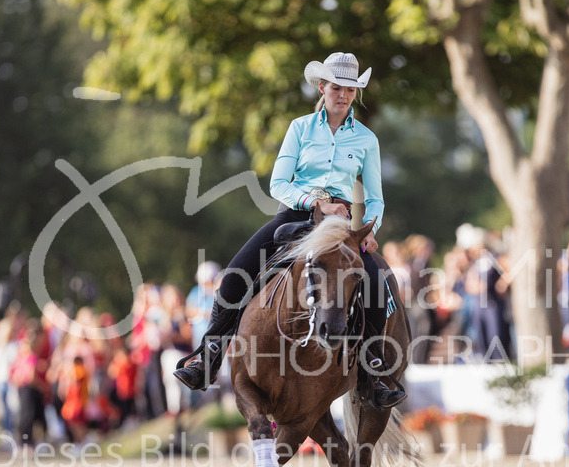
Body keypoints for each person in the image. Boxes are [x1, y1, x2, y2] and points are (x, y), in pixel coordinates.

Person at [173, 51, 405, 409]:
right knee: (235, 274)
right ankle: (209, 355)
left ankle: (373, 371)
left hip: (342, 224)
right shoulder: (300, 128)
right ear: (323, 87)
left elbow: (375, 198)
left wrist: (370, 230)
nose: (343, 95)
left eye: (350, 89)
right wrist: (314, 202)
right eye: (336, 87)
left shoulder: (366, 140)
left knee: (375, 282)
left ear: (355, 93)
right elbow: (278, 183)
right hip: (294, 216)